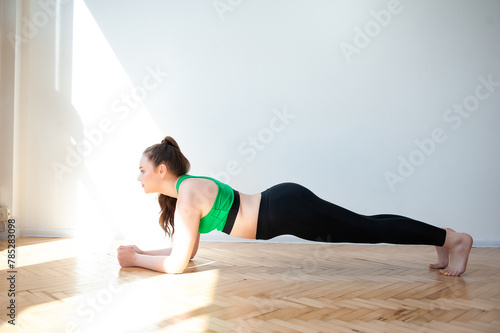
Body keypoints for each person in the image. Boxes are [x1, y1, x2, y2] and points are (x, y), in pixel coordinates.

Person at [117, 136, 473, 276]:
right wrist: (144, 251)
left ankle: (454, 241)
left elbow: (178, 264)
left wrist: (135, 260)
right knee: (369, 223)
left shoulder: (188, 195)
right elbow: (188, 251)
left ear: (161, 170)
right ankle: (446, 239)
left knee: (371, 228)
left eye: (142, 170)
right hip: (284, 203)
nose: (139, 177)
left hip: (287, 211)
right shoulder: (186, 192)